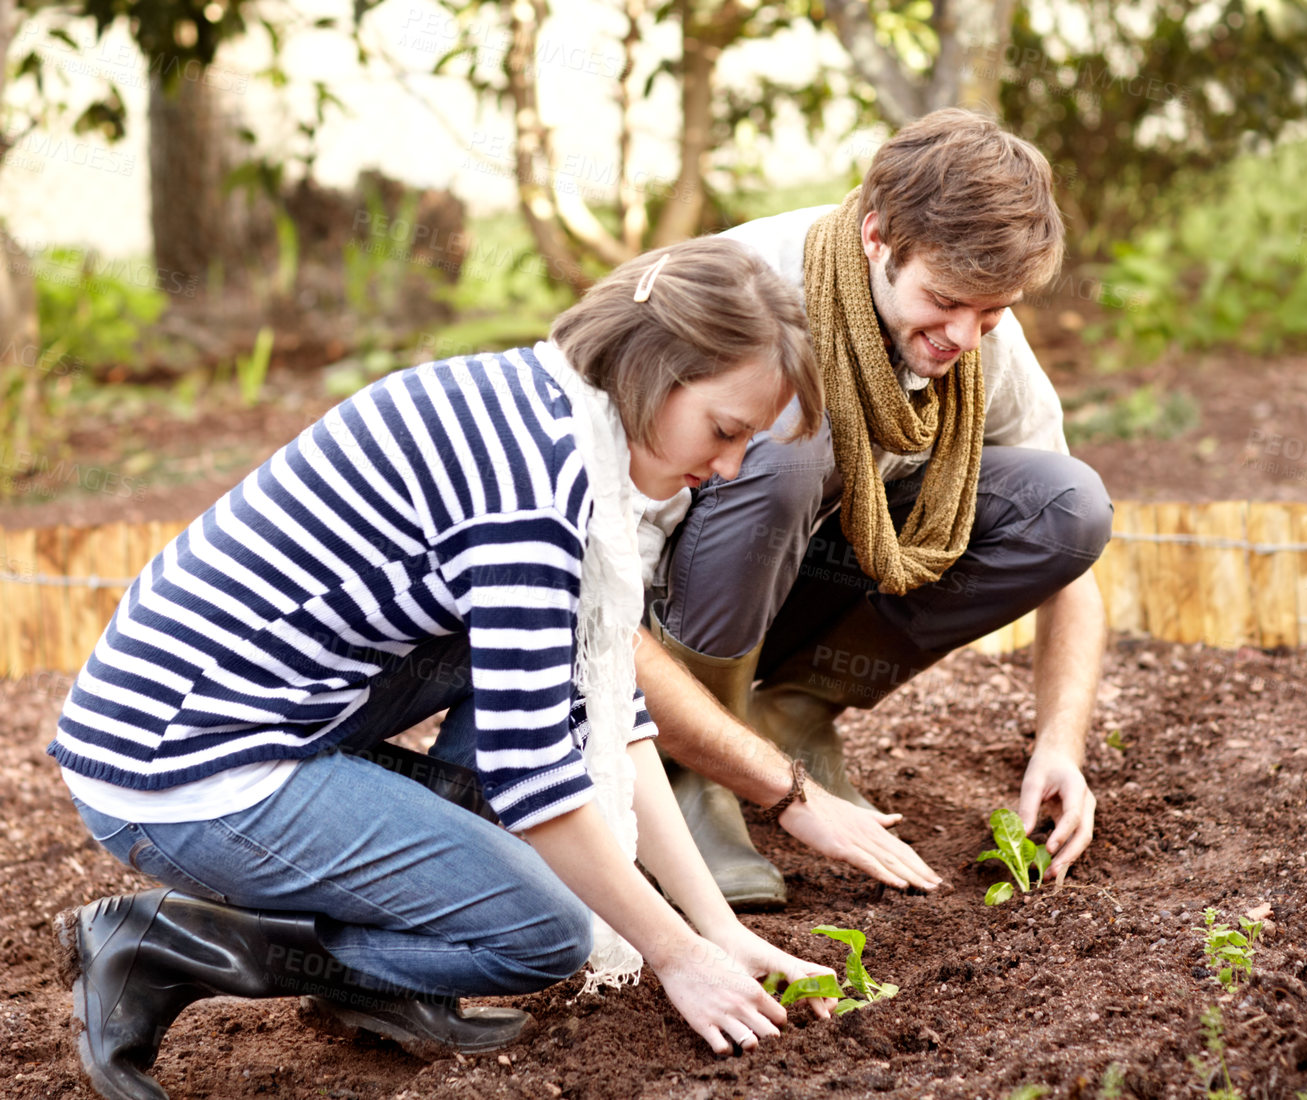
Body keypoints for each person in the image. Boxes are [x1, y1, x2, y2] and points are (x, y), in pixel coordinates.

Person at [48, 238, 840, 1100]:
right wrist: (676, 956)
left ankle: (395, 962)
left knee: (548, 698)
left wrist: (713, 927)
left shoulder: (545, 403)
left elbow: (603, 702)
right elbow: (536, 773)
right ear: (654, 368)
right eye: (725, 432)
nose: (726, 468)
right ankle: (176, 945)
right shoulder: (535, 488)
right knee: (540, 933)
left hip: (253, 708)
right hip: (184, 766)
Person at [636, 108, 1114, 908]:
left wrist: (1060, 745)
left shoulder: (975, 333)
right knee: (794, 438)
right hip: (662, 620)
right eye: (946, 299)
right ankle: (693, 771)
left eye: (991, 312)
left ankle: (789, 710)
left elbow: (1075, 560)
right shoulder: (738, 296)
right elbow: (595, 581)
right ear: (876, 237)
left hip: (789, 588)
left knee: (1069, 508)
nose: (966, 335)